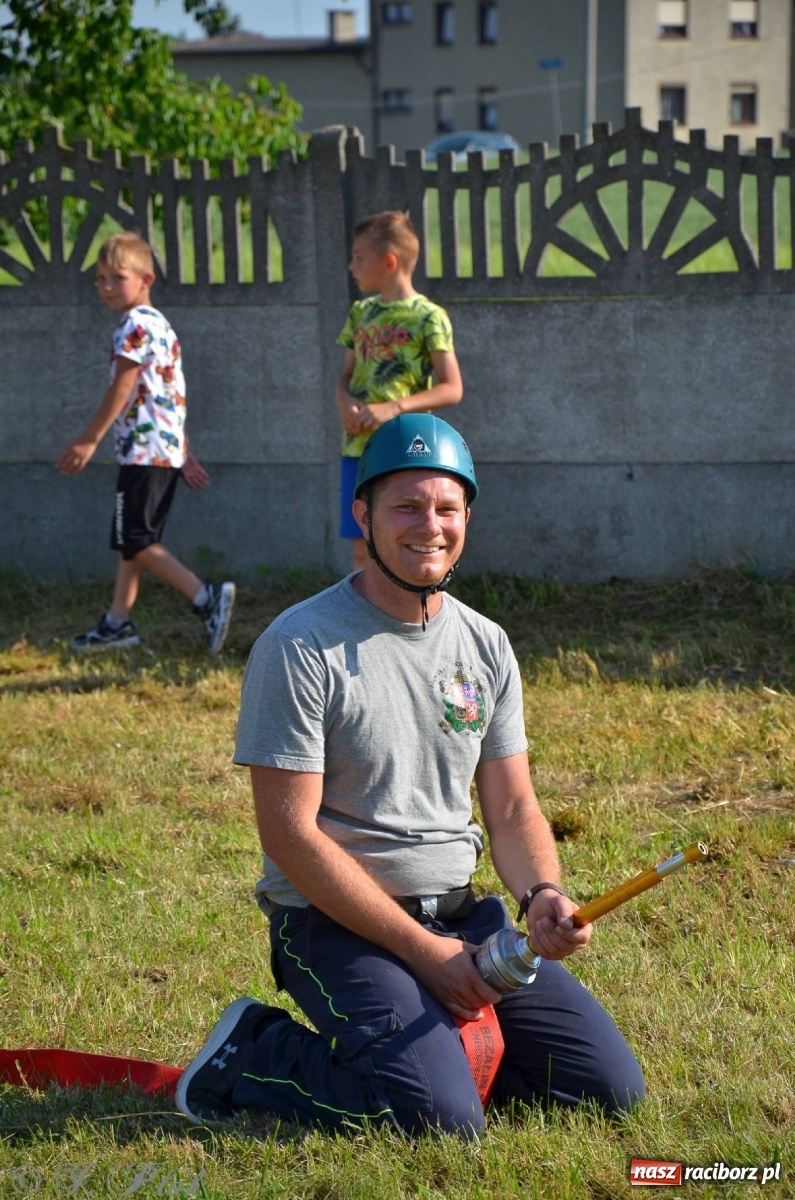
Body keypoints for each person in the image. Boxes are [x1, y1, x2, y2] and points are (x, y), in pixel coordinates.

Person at [176, 414, 645, 1138]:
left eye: (446, 508)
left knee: (608, 1091)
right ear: (361, 514)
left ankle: (438, 1063)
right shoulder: (300, 645)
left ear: (466, 518)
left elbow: (513, 805)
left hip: (463, 919)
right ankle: (250, 1055)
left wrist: (542, 894)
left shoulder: (485, 644)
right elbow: (288, 834)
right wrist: (423, 956)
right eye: (405, 505)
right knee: (435, 1122)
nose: (428, 525)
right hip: (334, 925)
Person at [56, 232, 235, 655]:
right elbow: (169, 394)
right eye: (99, 278)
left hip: (144, 452)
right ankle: (118, 623)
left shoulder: (135, 325)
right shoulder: (160, 325)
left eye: (116, 277)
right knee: (131, 539)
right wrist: (184, 452)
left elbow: (125, 385)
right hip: (162, 451)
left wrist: (88, 439)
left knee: (134, 537)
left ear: (145, 278)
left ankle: (205, 598)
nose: (105, 286)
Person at [336, 210, 463, 571]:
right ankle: (361, 623)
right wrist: (343, 401)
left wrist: (393, 408)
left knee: (403, 545)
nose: (351, 266)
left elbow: (452, 388)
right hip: (356, 450)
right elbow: (344, 377)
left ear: (389, 262)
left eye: (359, 258)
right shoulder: (360, 313)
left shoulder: (429, 317)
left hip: (405, 452)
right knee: (363, 549)